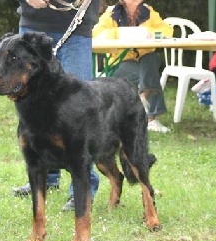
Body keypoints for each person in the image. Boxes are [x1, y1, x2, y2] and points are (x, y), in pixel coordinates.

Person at [12, 0, 101, 211]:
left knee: (77, 111)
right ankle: (44, 177)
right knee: (32, 108)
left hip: (76, 27)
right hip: (33, 25)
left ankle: (81, 190)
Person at [92, 0, 173, 133]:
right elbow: (97, 33)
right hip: (120, 62)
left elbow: (167, 30)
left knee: (151, 59)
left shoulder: (149, 12)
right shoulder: (111, 13)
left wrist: (149, 31)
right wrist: (121, 33)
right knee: (149, 73)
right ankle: (150, 117)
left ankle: (145, 105)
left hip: (145, 61)